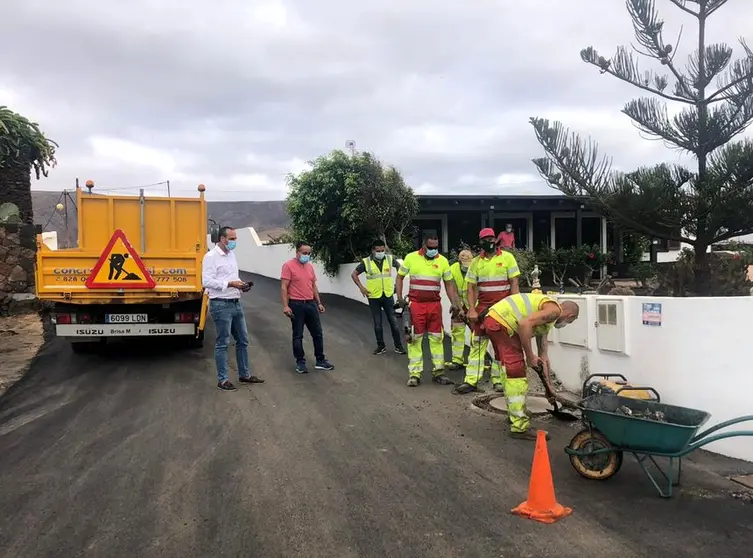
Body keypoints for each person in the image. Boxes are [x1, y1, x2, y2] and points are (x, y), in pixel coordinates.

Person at [482, 293, 580, 440]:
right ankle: (519, 426)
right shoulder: (554, 311)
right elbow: (524, 324)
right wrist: (529, 356)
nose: (565, 324)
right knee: (516, 372)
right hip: (502, 323)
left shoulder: (546, 320)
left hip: (496, 322)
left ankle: (515, 413)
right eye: (570, 322)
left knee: (509, 371)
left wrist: (549, 388)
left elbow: (543, 356)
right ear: (570, 315)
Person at [453, 228, 520, 395]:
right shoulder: (476, 262)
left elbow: (514, 283)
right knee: (477, 344)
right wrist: (472, 310)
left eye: (491, 238)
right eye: (485, 239)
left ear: (495, 239)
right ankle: (471, 381)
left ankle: (498, 381)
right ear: (481, 242)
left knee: (500, 346)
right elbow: (471, 288)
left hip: (503, 310)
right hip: (482, 309)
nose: (489, 242)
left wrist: (515, 307)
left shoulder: (507, 258)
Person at [202, 226, 265, 391]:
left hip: (235, 302)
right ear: (223, 239)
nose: (234, 241)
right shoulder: (211, 257)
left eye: (235, 238)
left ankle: (245, 375)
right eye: (232, 238)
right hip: (220, 304)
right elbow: (206, 281)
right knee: (223, 342)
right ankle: (222, 380)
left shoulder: (231, 256)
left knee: (243, 340)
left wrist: (241, 285)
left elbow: (233, 277)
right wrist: (229, 284)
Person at [396, 234, 463, 387]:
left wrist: (454, 302)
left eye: (436, 247)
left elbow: (448, 283)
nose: (434, 250)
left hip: (434, 305)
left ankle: (438, 372)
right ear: (424, 245)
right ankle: (414, 374)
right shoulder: (411, 258)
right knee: (414, 339)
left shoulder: (443, 261)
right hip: (416, 305)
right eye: (431, 247)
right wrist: (399, 297)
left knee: (437, 338)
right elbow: (399, 277)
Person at [281, 241, 335, 374]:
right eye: (304, 253)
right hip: (296, 305)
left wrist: (319, 303)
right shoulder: (288, 266)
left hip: (310, 304)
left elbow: (313, 286)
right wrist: (286, 306)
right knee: (298, 335)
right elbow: (284, 287)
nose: (307, 255)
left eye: (309, 253)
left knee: (317, 333)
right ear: (297, 252)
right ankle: (300, 362)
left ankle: (320, 360)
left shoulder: (310, 267)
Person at [351, 240, 406, 355]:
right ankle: (381, 346)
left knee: (394, 322)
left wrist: (396, 285)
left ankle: (399, 346)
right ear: (373, 251)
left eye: (382, 250)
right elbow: (354, 274)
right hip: (373, 296)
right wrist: (361, 287)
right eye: (378, 251)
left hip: (388, 295)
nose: (381, 252)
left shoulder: (390, 259)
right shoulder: (366, 262)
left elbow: (401, 270)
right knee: (377, 323)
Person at [446, 249, 474, 369]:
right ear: (459, 261)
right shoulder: (453, 269)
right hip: (459, 305)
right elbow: (453, 290)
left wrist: (473, 308)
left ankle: (476, 360)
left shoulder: (475, 268)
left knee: (476, 334)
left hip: (473, 305)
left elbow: (477, 289)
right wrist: (458, 306)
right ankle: (457, 360)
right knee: (458, 332)